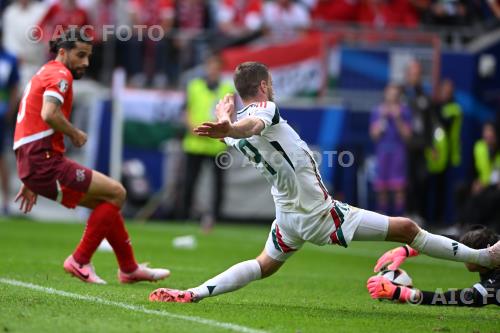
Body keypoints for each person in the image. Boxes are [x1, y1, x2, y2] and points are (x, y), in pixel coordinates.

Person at [149, 62, 500, 303]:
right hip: (320, 214)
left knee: (263, 265)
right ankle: (484, 256)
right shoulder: (265, 110)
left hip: (287, 216)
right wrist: (230, 123)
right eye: (269, 83)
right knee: (408, 228)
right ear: (263, 86)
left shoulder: (234, 129)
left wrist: (224, 121)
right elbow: (253, 125)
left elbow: (238, 131)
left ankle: (194, 292)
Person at [12, 28, 170, 284]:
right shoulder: (60, 74)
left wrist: (28, 174)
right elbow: (48, 114)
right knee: (117, 193)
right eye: (81, 55)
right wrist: (74, 133)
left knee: (105, 204)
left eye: (88, 56)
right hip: (45, 161)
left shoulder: (44, 71)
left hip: (34, 161)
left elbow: (29, 120)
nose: (85, 63)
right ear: (63, 52)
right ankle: (80, 260)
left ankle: (129, 269)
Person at [367, 225, 499, 306]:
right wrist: (410, 249)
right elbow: (454, 243)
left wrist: (406, 293)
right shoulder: (493, 247)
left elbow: (464, 297)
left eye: (466, 254)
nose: (462, 255)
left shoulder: (496, 284)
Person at [178, 53, 234, 231]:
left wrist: (222, 131)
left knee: (218, 184)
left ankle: (216, 218)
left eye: (216, 67)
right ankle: (184, 216)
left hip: (217, 145)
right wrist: (193, 128)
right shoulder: (194, 86)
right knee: (189, 181)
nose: (212, 70)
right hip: (195, 143)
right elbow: (185, 110)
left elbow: (232, 114)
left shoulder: (227, 89)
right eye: (210, 66)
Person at [370, 83, 412, 216]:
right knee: (382, 188)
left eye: (395, 93)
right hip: (382, 153)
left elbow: (407, 135)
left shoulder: (404, 111)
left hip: (398, 153)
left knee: (398, 187)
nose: (392, 96)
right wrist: (383, 117)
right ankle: (382, 220)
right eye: (390, 92)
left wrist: (398, 117)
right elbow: (374, 135)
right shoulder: (378, 111)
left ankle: (399, 218)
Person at [0, 31, 20, 215]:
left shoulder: (9, 59)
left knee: (2, 159)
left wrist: (10, 111)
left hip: (1, 115)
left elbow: (14, 86)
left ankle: (5, 202)